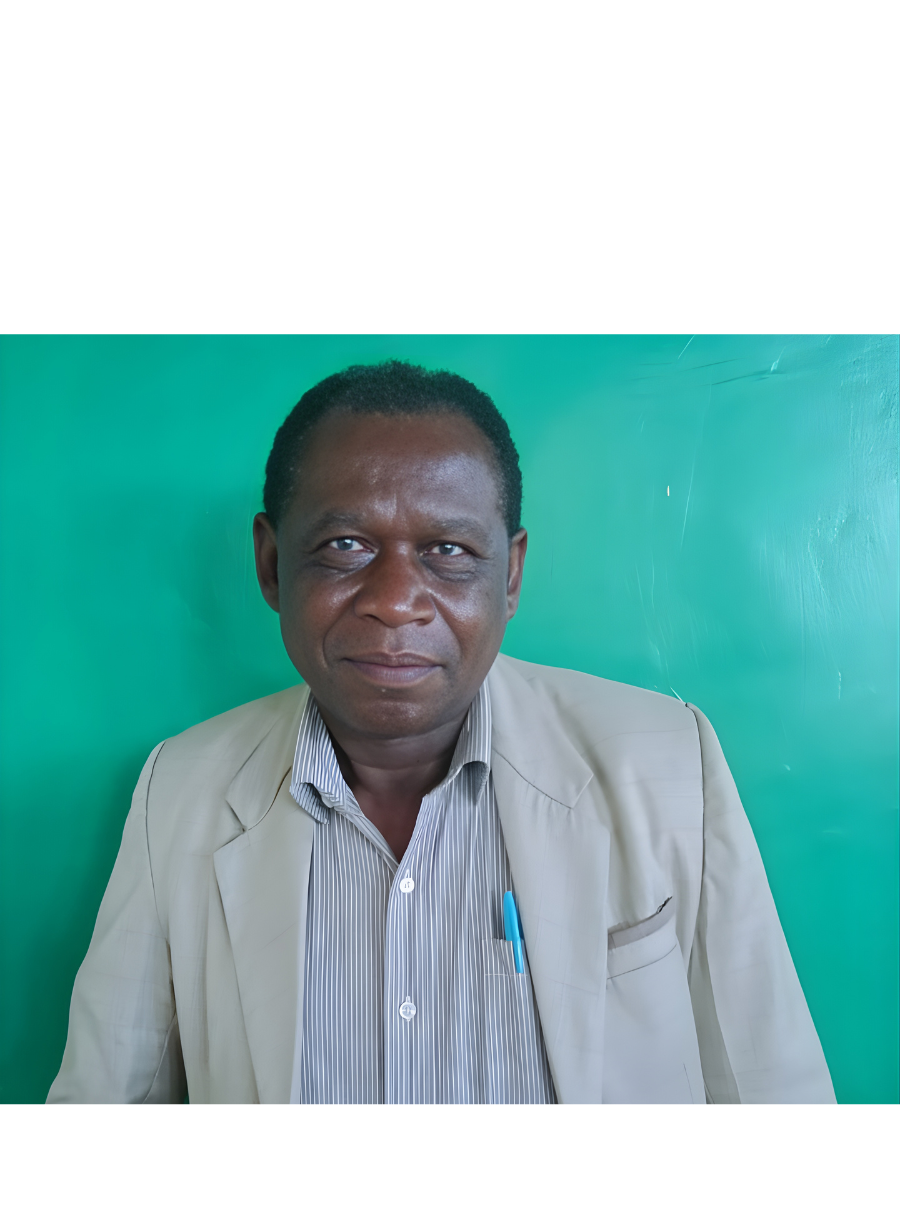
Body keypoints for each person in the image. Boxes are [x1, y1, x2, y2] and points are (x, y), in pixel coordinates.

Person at [47, 361, 835, 1105]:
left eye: (449, 551)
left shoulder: (666, 763)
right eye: (345, 546)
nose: (396, 600)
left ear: (510, 575)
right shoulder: (180, 792)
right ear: (271, 564)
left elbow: (773, 1093)